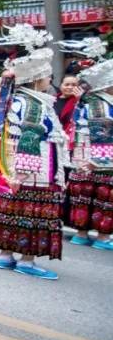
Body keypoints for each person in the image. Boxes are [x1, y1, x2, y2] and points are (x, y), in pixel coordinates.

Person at [0, 26, 66, 278]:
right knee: (32, 215)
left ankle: (5, 255)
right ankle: (27, 260)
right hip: (33, 174)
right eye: (48, 76)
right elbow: (28, 140)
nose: (50, 81)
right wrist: (23, 173)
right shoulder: (33, 105)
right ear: (38, 79)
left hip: (15, 171)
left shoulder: (19, 101)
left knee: (13, 211)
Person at [62, 38, 113, 250]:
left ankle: (82, 233)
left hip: (83, 159)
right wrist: (100, 160)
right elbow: (102, 134)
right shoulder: (99, 103)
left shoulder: (87, 102)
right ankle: (101, 237)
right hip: (97, 162)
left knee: (83, 198)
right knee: (101, 199)